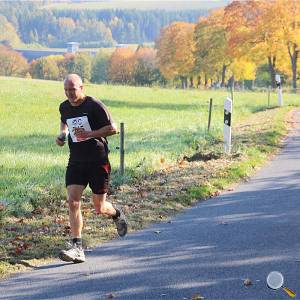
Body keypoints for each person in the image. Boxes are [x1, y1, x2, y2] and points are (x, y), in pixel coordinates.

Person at [56, 73, 127, 263]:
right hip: (76, 160)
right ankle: (77, 247)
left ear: (82, 88)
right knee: (73, 202)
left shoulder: (94, 105)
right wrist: (62, 135)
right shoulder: (64, 106)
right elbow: (64, 120)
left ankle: (117, 214)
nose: (70, 93)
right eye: (66, 90)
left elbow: (113, 128)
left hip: (98, 160)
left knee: (99, 207)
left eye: (73, 89)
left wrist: (90, 134)